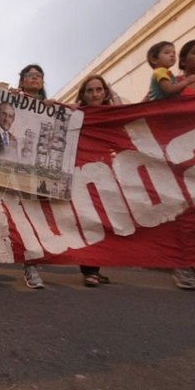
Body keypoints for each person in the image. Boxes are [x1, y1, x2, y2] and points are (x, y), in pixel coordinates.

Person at [150, 40, 195, 290]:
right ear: (183, 60)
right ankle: (182, 266)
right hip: (179, 156)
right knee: (183, 212)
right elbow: (149, 108)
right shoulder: (173, 85)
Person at [73, 74, 118, 287]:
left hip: (106, 173)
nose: (94, 94)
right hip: (81, 173)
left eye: (98, 90)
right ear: (83, 94)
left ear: (105, 92)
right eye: (89, 91)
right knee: (88, 219)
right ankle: (89, 269)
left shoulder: (114, 115)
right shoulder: (76, 114)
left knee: (103, 220)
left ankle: (95, 267)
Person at [14, 64, 50, 289]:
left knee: (32, 219)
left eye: (39, 76)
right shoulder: (9, 102)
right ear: (22, 81)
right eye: (30, 75)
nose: (35, 79)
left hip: (35, 172)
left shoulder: (52, 109)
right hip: (9, 169)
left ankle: (31, 265)